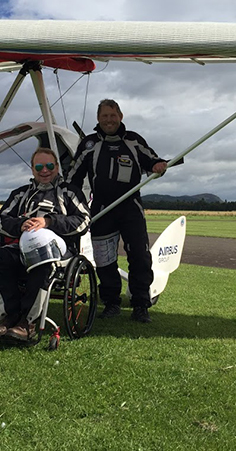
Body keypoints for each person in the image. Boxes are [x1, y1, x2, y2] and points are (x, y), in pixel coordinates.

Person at [67, 99, 167, 323]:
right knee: (104, 260)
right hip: (102, 209)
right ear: (98, 119)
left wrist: (158, 166)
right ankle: (111, 302)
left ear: (120, 116)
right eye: (104, 116)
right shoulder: (89, 144)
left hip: (131, 208)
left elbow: (151, 159)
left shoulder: (133, 140)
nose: (109, 120)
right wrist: (74, 202)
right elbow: (73, 176)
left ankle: (141, 304)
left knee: (140, 257)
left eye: (112, 115)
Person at [0, 147, 90, 342]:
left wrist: (48, 222)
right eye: (39, 166)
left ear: (57, 167)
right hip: (23, 247)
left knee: (43, 260)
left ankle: (27, 322)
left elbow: (83, 220)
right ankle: (8, 317)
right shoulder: (20, 194)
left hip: (60, 252)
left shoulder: (69, 192)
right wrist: (20, 225)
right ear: (32, 169)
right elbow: (1, 218)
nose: (44, 170)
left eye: (49, 165)